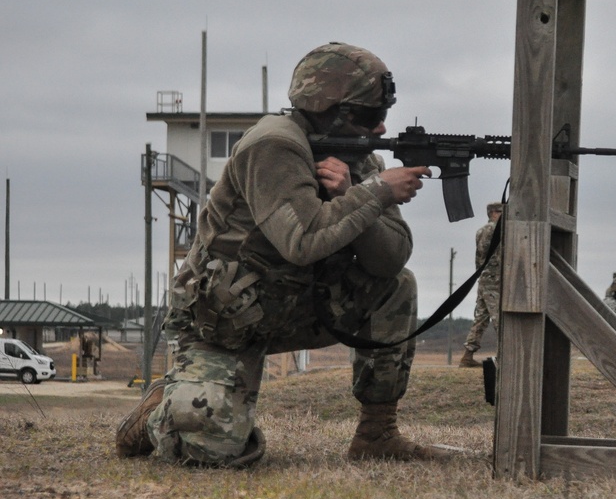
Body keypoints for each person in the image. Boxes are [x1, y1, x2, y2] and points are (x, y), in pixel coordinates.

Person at [115, 42, 450, 467]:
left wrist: (356, 193)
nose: (381, 129)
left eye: (382, 115)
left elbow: (391, 259)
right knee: (210, 451)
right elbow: (302, 240)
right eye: (370, 117)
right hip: (224, 320)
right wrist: (377, 191)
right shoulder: (272, 145)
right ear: (329, 109)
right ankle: (156, 413)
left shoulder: (358, 157)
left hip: (297, 306)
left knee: (396, 287)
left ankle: (377, 433)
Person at [459, 202, 503, 367]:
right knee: (500, 318)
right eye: (500, 212)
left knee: (481, 318)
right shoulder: (495, 230)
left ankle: (468, 355)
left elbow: (479, 258)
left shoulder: (481, 231)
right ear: (492, 213)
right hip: (495, 278)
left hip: (485, 277)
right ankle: (505, 355)